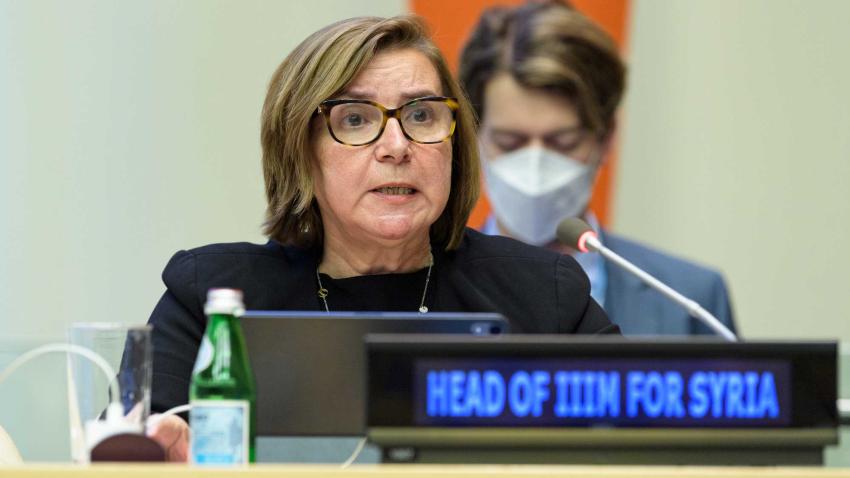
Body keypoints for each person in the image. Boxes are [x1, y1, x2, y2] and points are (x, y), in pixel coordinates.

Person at [145, 14, 618, 461]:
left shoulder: (543, 295)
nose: (396, 147)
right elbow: (134, 447)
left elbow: (631, 443)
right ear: (299, 151)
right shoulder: (212, 300)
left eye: (422, 116)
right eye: (355, 119)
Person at [458, 1, 736, 336]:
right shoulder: (426, 290)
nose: (535, 170)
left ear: (606, 138)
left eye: (563, 142)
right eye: (510, 143)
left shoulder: (689, 300)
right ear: (473, 137)